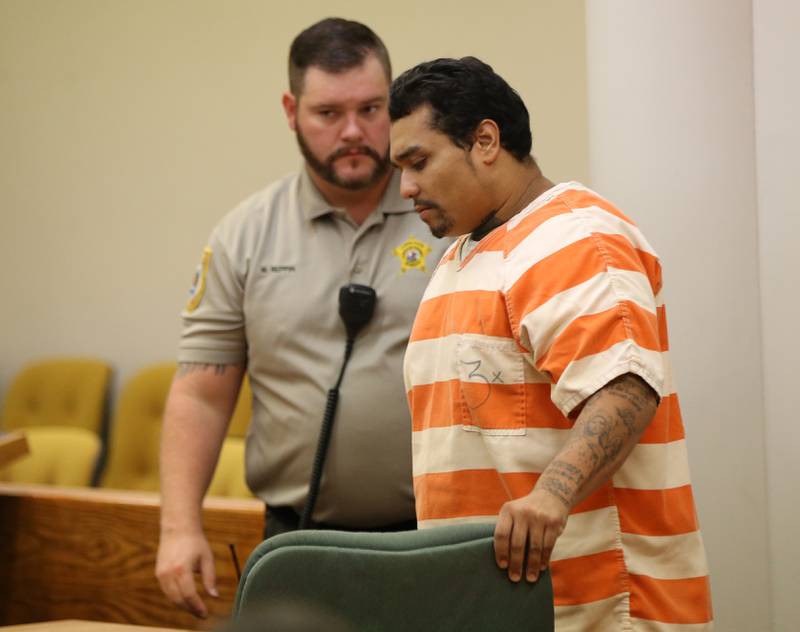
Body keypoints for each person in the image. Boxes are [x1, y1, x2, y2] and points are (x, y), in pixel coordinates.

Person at [389, 57, 713, 630]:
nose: (406, 187)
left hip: (600, 608)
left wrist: (552, 496)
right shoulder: (463, 255)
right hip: (502, 605)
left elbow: (627, 390)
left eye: (419, 162)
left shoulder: (575, 237)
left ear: (485, 140)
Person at [156, 19, 448, 619]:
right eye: (327, 113)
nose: (353, 132)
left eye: (371, 109)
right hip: (297, 538)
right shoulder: (245, 234)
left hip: (439, 534)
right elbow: (202, 396)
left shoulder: (449, 217)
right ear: (291, 110)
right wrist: (179, 527)